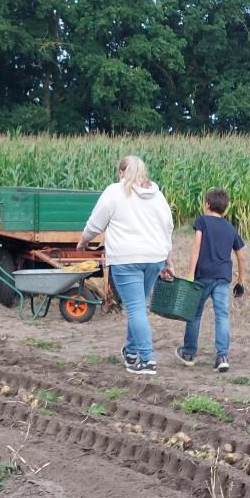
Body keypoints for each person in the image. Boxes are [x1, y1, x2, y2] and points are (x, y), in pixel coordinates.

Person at [77, 155, 174, 375]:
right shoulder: (157, 195)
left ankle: (147, 359)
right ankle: (131, 353)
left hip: (126, 259)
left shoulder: (114, 191)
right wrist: (169, 260)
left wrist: (83, 241)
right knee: (139, 306)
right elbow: (168, 228)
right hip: (154, 258)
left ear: (122, 173)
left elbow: (95, 223)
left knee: (135, 308)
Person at [178, 189, 247, 372]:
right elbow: (241, 256)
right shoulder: (230, 228)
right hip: (223, 277)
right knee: (222, 316)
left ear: (207, 205)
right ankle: (222, 356)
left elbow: (196, 247)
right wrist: (241, 281)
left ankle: (189, 353)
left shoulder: (202, 221)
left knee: (194, 314)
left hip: (203, 275)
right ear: (225, 208)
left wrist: (190, 275)